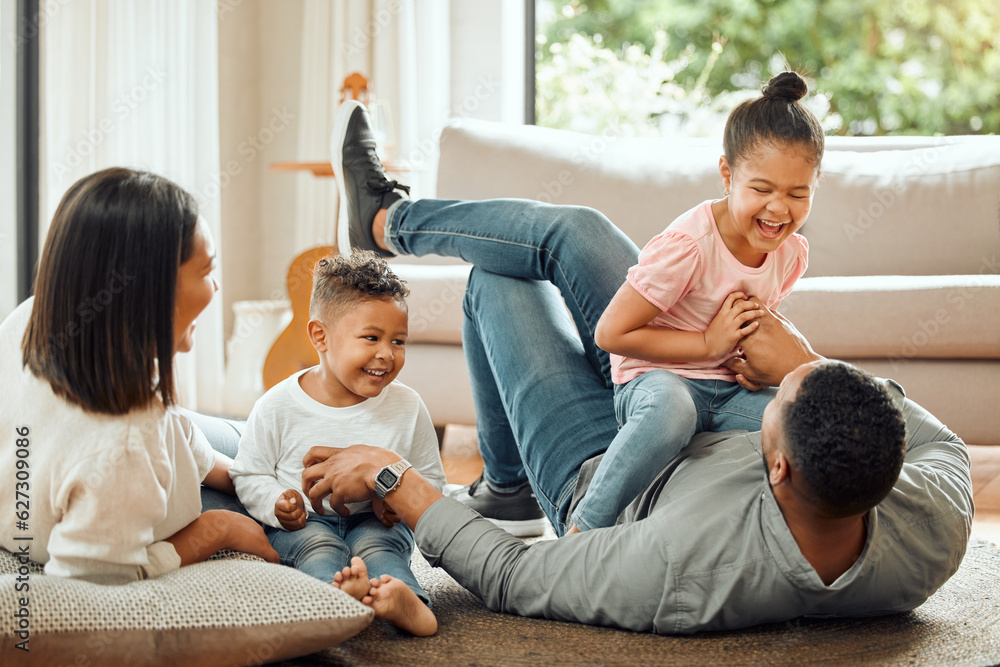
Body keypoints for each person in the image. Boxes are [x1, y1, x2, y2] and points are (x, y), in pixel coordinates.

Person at [305, 98, 973, 634]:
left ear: (778, 467)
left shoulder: (679, 566)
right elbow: (939, 442)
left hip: (605, 471)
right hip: (671, 373)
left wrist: (392, 475)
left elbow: (517, 577)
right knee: (576, 230)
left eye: (778, 399)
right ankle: (386, 221)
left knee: (501, 279)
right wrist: (796, 359)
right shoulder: (930, 523)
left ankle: (513, 485)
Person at [571, 71, 823, 532]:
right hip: (658, 381)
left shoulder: (790, 253)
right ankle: (582, 529)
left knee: (801, 419)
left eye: (797, 193)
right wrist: (709, 344)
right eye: (761, 189)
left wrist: (755, 359)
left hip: (728, 390)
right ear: (727, 174)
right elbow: (612, 335)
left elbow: (758, 324)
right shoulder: (689, 245)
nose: (778, 209)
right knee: (674, 411)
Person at [0, 168, 278, 584]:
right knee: (289, 458)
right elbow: (94, 580)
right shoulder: (123, 447)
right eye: (205, 271)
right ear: (149, 292)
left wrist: (223, 469)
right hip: (144, 498)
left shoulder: (35, 318)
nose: (216, 287)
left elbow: (166, 423)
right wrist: (216, 530)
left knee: (266, 441)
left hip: (159, 461)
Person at [229, 251, 445, 636]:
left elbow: (430, 479)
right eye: (371, 338)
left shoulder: (408, 406)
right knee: (317, 548)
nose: (387, 354)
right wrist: (277, 504)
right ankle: (330, 601)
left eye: (398, 341)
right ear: (320, 336)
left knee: (381, 548)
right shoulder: (277, 405)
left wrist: (399, 505)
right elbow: (248, 473)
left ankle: (407, 601)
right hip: (305, 523)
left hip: (375, 520)